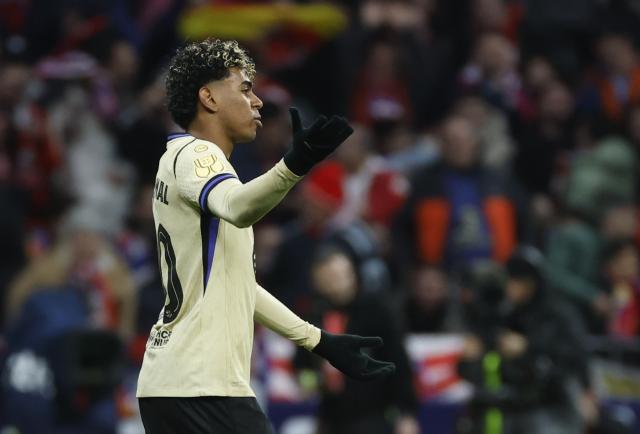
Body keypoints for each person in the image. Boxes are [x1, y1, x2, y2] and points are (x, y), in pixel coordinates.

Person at [135, 38, 396, 434]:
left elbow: (239, 285)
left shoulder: (181, 161)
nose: (256, 102)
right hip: (202, 384)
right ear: (208, 97)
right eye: (245, 89)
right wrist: (294, 165)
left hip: (172, 384)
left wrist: (318, 340)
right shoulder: (198, 156)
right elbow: (239, 207)